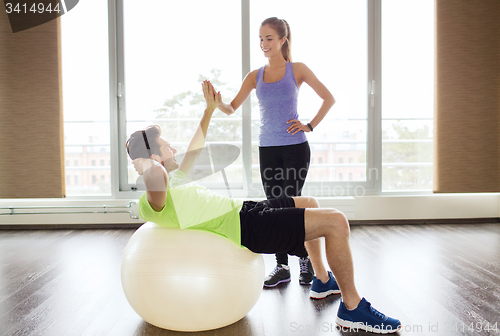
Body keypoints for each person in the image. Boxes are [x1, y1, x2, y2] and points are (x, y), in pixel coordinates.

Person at [126, 81, 401, 334]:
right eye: (167, 147)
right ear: (153, 159)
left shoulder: (175, 177)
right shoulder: (155, 197)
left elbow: (195, 148)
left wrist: (209, 110)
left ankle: (322, 280)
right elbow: (154, 178)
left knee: (310, 203)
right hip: (248, 228)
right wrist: (146, 162)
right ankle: (352, 308)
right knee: (337, 222)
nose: (174, 149)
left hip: (246, 210)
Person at [214, 17, 335, 287]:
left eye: (269, 38)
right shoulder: (254, 76)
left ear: (282, 40)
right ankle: (282, 266)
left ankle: (304, 261)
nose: (263, 44)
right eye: (260, 38)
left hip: (295, 148)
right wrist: (216, 101)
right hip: (267, 149)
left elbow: (329, 98)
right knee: (276, 207)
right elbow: (232, 107)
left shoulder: (297, 69)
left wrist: (310, 125)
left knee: (291, 204)